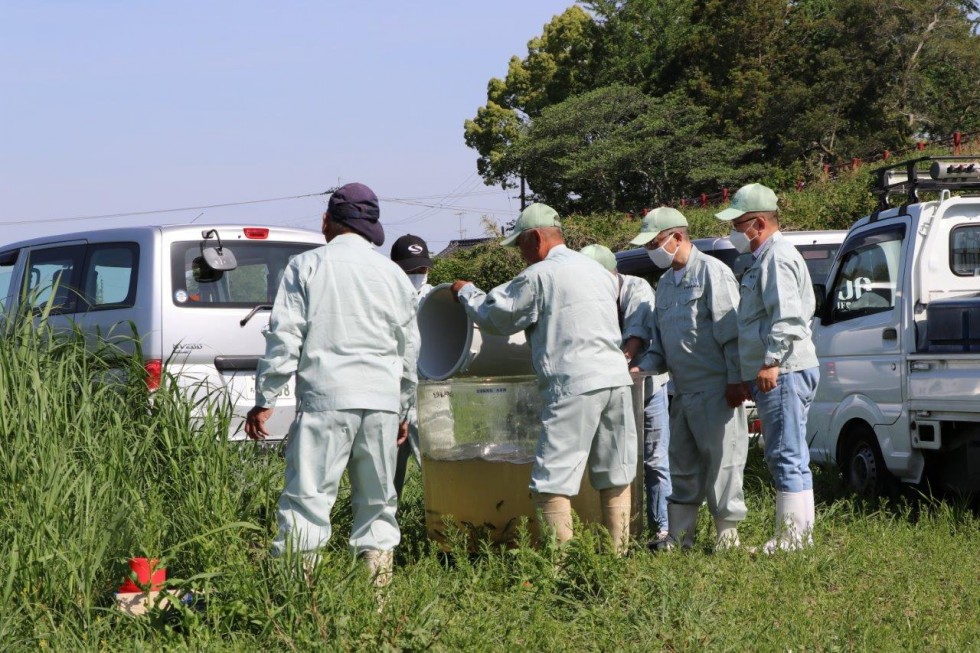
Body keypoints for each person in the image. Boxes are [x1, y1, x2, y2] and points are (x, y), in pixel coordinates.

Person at [244, 182, 420, 586]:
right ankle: (378, 600)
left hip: (327, 399)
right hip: (381, 402)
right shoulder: (394, 276)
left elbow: (285, 335)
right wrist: (404, 409)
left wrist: (266, 397)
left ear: (326, 221)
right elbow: (409, 351)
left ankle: (298, 600)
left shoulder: (307, 267)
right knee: (378, 504)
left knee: (308, 500)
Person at [450, 204, 636, 555]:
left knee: (551, 479)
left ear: (536, 238)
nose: (521, 255)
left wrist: (466, 292)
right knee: (615, 471)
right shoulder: (596, 270)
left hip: (574, 383)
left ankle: (559, 566)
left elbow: (497, 317)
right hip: (615, 378)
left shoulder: (541, 275)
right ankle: (617, 558)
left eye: (520, 245)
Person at [630, 207, 749, 551]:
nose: (652, 251)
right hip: (680, 393)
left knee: (723, 466)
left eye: (655, 243)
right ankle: (681, 539)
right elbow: (660, 345)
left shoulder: (713, 273)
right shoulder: (665, 285)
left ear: (677, 237)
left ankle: (728, 538)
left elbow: (731, 333)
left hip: (717, 390)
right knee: (681, 466)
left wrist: (736, 380)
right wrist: (641, 368)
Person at [715, 183, 819, 553]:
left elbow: (787, 317)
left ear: (758, 223)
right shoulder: (764, 257)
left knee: (785, 452)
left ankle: (792, 539)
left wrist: (771, 361)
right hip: (780, 369)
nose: (734, 232)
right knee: (787, 452)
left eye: (738, 224)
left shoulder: (776, 257)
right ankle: (797, 537)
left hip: (784, 369)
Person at [579, 244, 672, 544]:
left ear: (613, 275)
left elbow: (635, 335)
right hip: (607, 388)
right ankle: (614, 529)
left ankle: (662, 528)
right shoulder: (583, 297)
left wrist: (624, 359)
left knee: (655, 459)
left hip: (646, 384)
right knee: (613, 458)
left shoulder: (636, 288)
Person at [389, 233, 434, 499]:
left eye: (422, 268)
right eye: (411, 269)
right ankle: (383, 531)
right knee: (386, 472)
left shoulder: (437, 297)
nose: (418, 273)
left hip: (431, 394)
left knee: (435, 467)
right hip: (391, 394)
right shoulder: (382, 298)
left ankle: (444, 525)